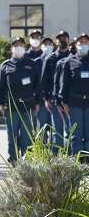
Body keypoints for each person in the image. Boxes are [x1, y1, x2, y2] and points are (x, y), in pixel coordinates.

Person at [0, 37, 41, 166]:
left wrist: (38, 102)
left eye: (21, 45)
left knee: (27, 135)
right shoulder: (5, 66)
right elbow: (1, 87)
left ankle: (27, 161)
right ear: (11, 49)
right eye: (16, 45)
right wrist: (0, 104)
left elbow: (37, 85)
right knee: (12, 136)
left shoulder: (32, 64)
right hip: (11, 105)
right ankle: (14, 160)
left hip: (28, 105)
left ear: (25, 47)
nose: (18, 47)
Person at [59, 33, 89, 162]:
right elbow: (63, 83)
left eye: (85, 42)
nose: (83, 44)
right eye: (80, 42)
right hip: (74, 102)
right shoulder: (69, 61)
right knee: (76, 134)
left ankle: (87, 161)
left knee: (88, 133)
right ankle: (77, 161)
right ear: (76, 45)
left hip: (88, 102)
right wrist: (63, 101)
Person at [41, 31, 71, 154]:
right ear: (56, 42)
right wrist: (46, 99)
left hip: (70, 100)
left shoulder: (73, 58)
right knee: (57, 130)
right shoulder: (50, 59)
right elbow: (44, 80)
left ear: (68, 40)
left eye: (64, 38)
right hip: (54, 99)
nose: (62, 40)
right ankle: (56, 157)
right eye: (60, 38)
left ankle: (70, 157)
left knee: (70, 131)